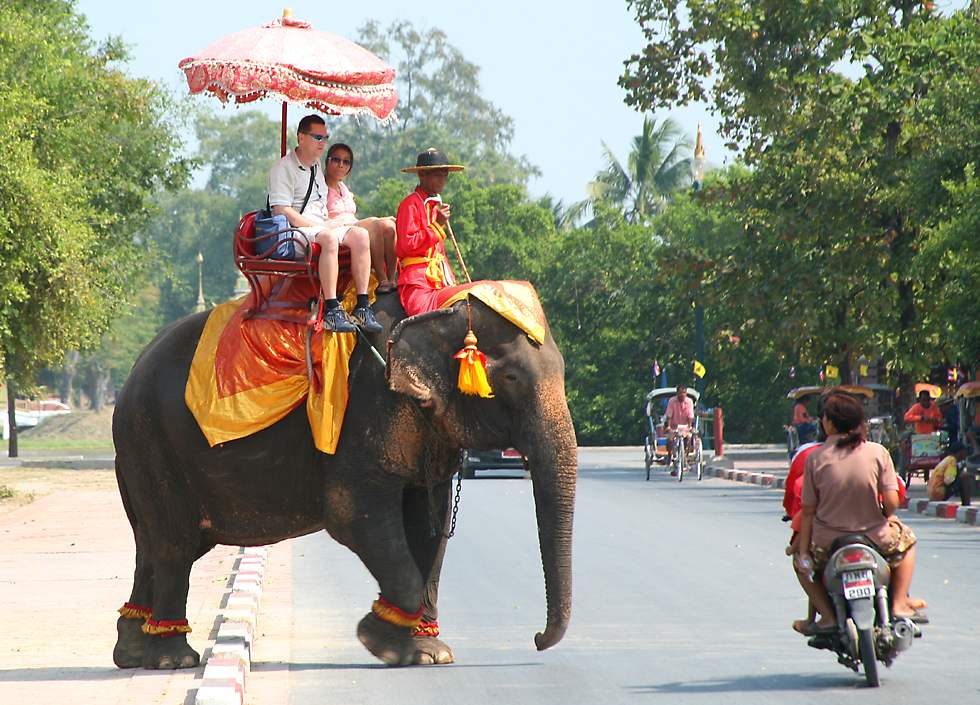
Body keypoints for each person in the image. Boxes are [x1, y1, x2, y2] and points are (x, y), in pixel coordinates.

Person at [791, 392, 925, 635]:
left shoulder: (815, 458)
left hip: (827, 543)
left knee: (800, 566)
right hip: (876, 537)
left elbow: (808, 510)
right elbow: (893, 502)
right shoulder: (877, 452)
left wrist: (802, 552)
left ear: (829, 423)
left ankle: (828, 617)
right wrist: (883, 513)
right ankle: (898, 603)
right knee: (908, 542)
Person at [267, 115, 382, 334]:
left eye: (325, 138)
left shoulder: (315, 166)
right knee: (328, 237)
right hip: (295, 230)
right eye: (317, 137)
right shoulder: (283, 168)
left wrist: (332, 222)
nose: (322, 143)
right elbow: (281, 210)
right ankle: (331, 309)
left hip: (319, 226)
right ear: (301, 137)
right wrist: (320, 226)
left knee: (360, 235)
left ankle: (363, 306)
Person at [396, 148, 467, 317]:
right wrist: (437, 225)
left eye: (445, 175)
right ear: (422, 175)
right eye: (437, 175)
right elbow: (408, 245)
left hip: (441, 276)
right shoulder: (410, 204)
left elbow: (439, 253)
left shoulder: (436, 206)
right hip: (417, 279)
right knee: (425, 319)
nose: (442, 180)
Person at [321, 143, 399, 295]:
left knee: (389, 225)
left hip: (353, 224)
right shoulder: (320, 187)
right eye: (336, 160)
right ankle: (382, 279)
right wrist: (373, 221)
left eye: (346, 162)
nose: (341, 165)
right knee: (375, 224)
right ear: (328, 161)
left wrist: (379, 219)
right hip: (336, 229)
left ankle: (392, 278)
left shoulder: (343, 188)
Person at [664, 384, 696, 472]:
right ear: (677, 393)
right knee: (670, 440)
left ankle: (685, 457)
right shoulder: (672, 401)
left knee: (689, 439)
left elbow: (690, 416)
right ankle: (670, 456)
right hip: (674, 426)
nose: (682, 395)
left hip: (685, 426)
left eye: (684, 393)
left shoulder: (689, 401)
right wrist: (669, 427)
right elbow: (669, 415)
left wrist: (689, 427)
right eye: (680, 393)